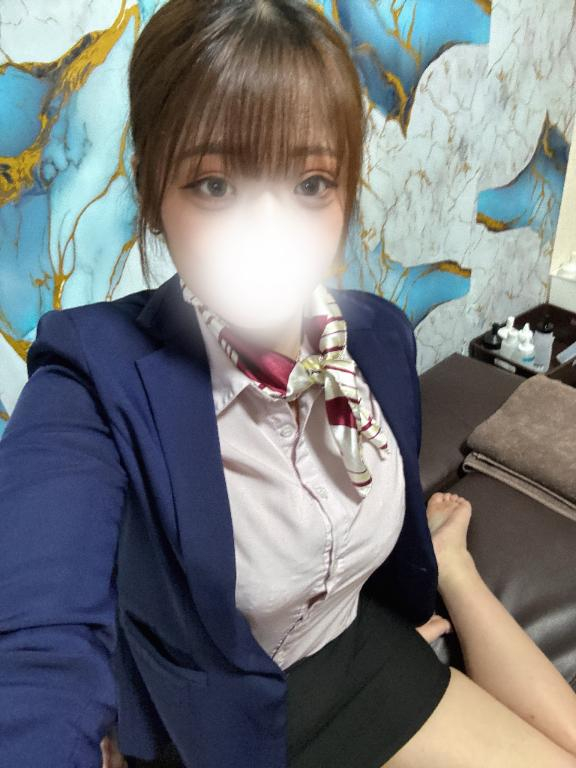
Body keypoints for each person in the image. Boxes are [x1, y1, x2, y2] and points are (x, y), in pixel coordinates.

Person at [1, 1, 575, 767]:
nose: (269, 231)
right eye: (214, 184)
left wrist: (413, 592)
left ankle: (455, 568)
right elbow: (34, 658)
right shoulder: (93, 375)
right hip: (210, 730)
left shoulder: (375, 338)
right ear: (154, 195)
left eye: (310, 182)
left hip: (351, 654)